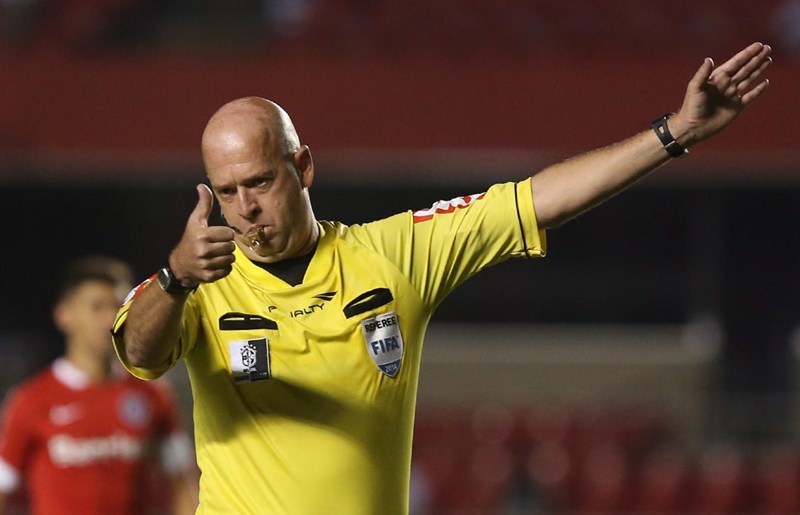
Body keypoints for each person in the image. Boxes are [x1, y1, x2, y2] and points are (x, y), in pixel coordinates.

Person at [112, 42, 772, 514]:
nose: (246, 208)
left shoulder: (392, 254)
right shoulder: (194, 281)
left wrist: (675, 132)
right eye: (228, 192)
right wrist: (175, 276)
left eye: (259, 182)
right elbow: (139, 352)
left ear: (303, 166)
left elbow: (538, 200)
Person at [0, 256, 198, 515]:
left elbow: (182, 484)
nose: (109, 320)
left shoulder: (152, 394)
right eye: (96, 307)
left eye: (117, 306)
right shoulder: (30, 399)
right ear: (63, 315)